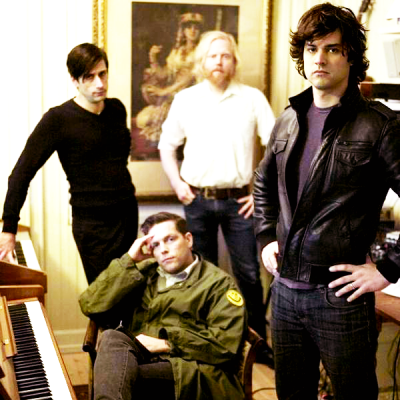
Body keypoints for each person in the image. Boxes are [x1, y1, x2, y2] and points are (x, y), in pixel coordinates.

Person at [253, 3, 400, 399]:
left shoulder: (379, 124)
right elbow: (263, 181)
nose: (319, 58)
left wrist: (388, 269)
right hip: (285, 293)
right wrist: (266, 237)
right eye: (312, 48)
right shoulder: (289, 118)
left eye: (332, 49)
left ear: (350, 56)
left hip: (339, 295)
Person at [158, 30, 276, 365]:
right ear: (202, 62)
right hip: (197, 202)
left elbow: (276, 149)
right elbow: (166, 146)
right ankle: (208, 344)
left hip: (240, 203)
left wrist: (261, 194)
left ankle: (258, 346)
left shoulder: (252, 99)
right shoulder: (186, 99)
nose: (219, 61)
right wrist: (177, 184)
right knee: (200, 274)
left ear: (234, 61)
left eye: (225, 55)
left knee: (249, 274)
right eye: (212, 56)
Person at [0, 43, 138, 284]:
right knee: (106, 294)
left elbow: (118, 161)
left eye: (103, 74)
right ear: (75, 80)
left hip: (126, 214)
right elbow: (21, 174)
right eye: (90, 77)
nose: (99, 83)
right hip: (92, 224)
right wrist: (9, 229)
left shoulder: (117, 109)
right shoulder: (58, 120)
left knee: (130, 289)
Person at [79, 212, 246, 400]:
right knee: (111, 337)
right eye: (156, 245)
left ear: (188, 240)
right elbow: (89, 304)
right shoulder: (146, 273)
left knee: (117, 378)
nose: (164, 250)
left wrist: (168, 344)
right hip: (141, 357)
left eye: (170, 239)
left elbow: (226, 346)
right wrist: (129, 259)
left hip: (189, 370)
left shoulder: (218, 283)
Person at [136, 12, 204, 142]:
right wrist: (153, 58)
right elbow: (163, 74)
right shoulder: (177, 52)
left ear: (200, 31)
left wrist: (164, 91)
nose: (192, 31)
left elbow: (189, 77)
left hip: (192, 97)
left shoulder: (202, 52)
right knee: (142, 119)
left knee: (169, 121)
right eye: (189, 27)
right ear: (183, 31)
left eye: (196, 28)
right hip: (173, 95)